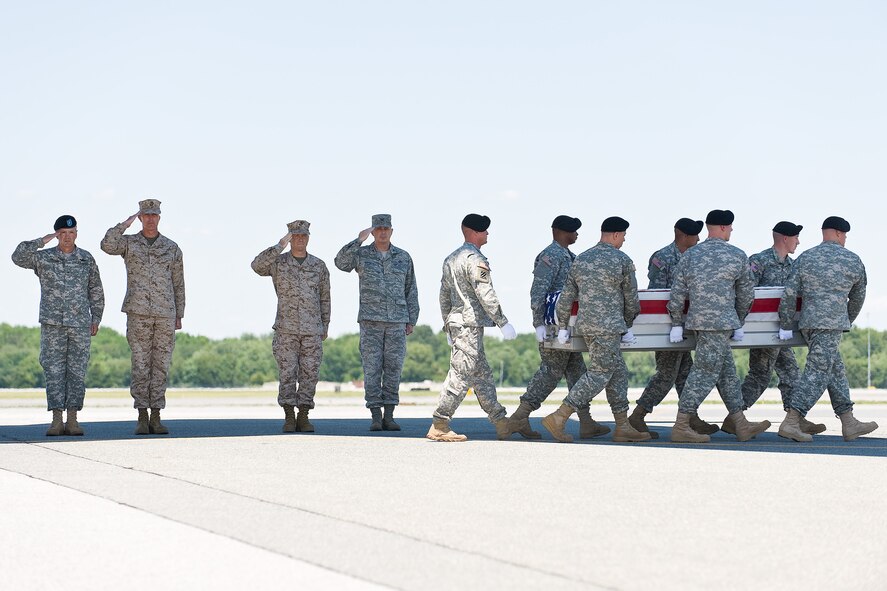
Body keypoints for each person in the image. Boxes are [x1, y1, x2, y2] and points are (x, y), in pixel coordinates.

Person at [542, 216, 651, 443]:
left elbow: (566, 297)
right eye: (623, 237)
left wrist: (563, 325)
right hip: (609, 326)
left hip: (587, 326)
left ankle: (622, 425)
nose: (623, 241)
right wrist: (628, 324)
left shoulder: (581, 259)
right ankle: (560, 416)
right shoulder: (622, 260)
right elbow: (631, 299)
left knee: (617, 372)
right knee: (600, 373)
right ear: (615, 235)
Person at [666, 209, 770, 443]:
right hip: (721, 322)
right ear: (723, 227)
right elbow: (746, 295)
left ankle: (740, 423)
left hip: (697, 322)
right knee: (703, 373)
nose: (732, 230)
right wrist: (739, 320)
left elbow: (677, 293)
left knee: (727, 373)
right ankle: (681, 424)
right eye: (730, 226)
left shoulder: (691, 255)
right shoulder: (736, 255)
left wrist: (676, 322)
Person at [776, 216, 877, 442]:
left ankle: (848, 421)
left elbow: (790, 294)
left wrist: (785, 323)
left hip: (809, 324)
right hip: (832, 324)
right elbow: (858, 298)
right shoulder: (852, 260)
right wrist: (845, 319)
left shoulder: (806, 257)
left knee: (834, 369)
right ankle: (792, 420)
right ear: (840, 234)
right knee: (818, 373)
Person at [511, 215, 610, 440]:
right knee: (551, 372)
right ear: (562, 232)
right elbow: (539, 290)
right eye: (574, 230)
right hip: (553, 326)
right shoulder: (550, 256)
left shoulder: (569, 256)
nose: (577, 234)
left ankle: (585, 421)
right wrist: (538, 323)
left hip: (566, 326)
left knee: (577, 372)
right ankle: (520, 415)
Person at [427, 213, 519, 442]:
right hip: (469, 324)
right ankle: (440, 422)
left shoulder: (451, 259)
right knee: (460, 374)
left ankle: (501, 422)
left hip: (460, 323)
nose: (488, 234)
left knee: (483, 375)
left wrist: (447, 323)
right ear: (476, 232)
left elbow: (444, 295)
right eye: (485, 230)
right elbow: (485, 293)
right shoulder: (475, 259)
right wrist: (502, 321)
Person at [12, 215, 104, 436]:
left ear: (76, 234)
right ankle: (56, 419)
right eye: (62, 233)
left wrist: (96, 318)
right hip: (52, 324)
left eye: (71, 233)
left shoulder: (86, 259)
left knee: (77, 371)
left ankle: (72, 419)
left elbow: (96, 290)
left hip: (80, 324)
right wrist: (42, 240)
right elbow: (17, 256)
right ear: (56, 235)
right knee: (53, 371)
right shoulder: (44, 258)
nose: (67, 237)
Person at [101, 199, 184, 435]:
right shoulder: (129, 243)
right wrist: (124, 224)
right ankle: (141, 415)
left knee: (160, 365)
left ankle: (156, 415)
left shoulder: (171, 248)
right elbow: (107, 245)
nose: (150, 219)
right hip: (138, 312)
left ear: (159, 217)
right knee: (140, 363)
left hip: (165, 313)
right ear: (140, 218)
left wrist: (180, 313)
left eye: (154, 215)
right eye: (145, 215)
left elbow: (178, 283)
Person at [734, 221, 826, 435]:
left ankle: (796, 420)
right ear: (785, 238)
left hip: (783, 331)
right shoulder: (759, 261)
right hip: (763, 332)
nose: (798, 242)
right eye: (795, 237)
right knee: (760, 375)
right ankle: (734, 415)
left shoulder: (794, 265)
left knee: (791, 374)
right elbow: (745, 292)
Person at [629, 217, 716, 439]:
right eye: (695, 235)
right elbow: (658, 296)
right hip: (668, 327)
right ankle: (638, 415)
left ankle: (691, 417)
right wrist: (668, 328)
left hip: (686, 324)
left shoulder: (694, 258)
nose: (698, 239)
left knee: (685, 373)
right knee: (667, 375)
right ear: (683, 236)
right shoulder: (662, 258)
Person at [335, 214, 419, 431]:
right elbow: (340, 262)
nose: (382, 232)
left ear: (392, 231)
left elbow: (411, 289)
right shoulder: (361, 255)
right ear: (372, 231)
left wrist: (412, 319)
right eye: (378, 228)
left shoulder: (403, 257)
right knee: (371, 369)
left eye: (386, 228)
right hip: (370, 321)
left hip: (397, 322)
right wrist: (358, 240)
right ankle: (375, 415)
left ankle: (389, 415)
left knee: (393, 368)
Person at [253, 220, 331, 433]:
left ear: (308, 238)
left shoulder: (318, 266)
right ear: (290, 238)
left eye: (303, 236)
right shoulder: (279, 263)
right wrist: (280, 244)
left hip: (312, 330)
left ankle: (304, 415)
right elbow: (257, 266)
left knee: (310, 373)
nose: (299, 240)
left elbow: (325, 298)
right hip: (286, 328)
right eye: (295, 236)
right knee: (287, 373)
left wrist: (325, 324)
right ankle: (288, 415)